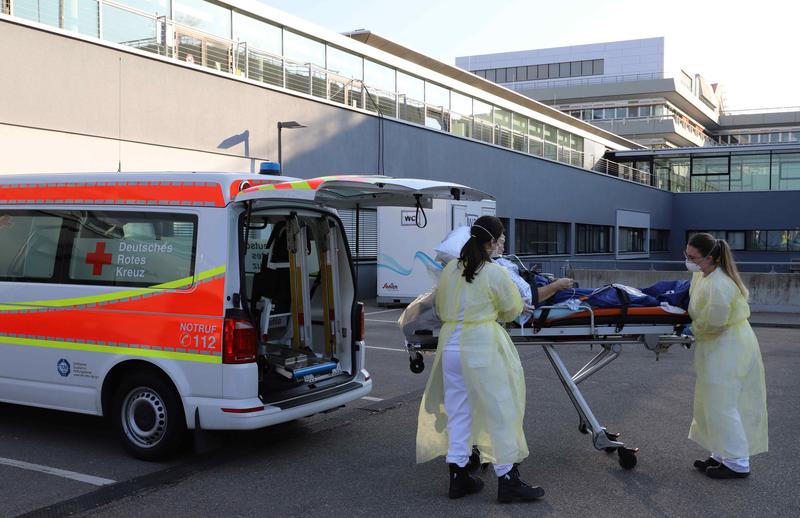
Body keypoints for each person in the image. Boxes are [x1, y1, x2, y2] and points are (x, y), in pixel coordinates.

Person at [416, 216, 544, 503]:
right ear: (491, 242)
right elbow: (512, 310)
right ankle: (508, 478)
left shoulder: (450, 270)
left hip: (450, 347)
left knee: (459, 411)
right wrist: (513, 306)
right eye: (500, 240)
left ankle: (458, 476)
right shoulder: (494, 273)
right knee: (500, 410)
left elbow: (438, 306)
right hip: (482, 346)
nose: (501, 245)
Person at [684, 233, 768, 479]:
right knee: (712, 402)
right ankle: (720, 454)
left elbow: (715, 322)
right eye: (686, 255)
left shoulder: (720, 283)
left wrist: (692, 329)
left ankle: (738, 463)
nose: (688, 261)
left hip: (728, 345)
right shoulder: (702, 274)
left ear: (710, 258)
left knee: (724, 403)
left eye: (693, 257)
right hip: (715, 345)